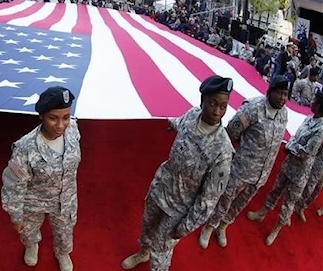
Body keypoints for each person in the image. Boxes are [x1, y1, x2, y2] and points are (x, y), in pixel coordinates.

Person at [121, 75, 234, 271]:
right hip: (161, 188)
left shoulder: (223, 150)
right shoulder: (192, 115)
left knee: (162, 250)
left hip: (179, 209)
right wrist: (167, 122)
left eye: (223, 106)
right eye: (212, 104)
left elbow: (209, 199)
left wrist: (186, 226)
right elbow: (179, 123)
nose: (217, 111)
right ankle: (143, 252)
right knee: (147, 228)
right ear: (202, 101)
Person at [198, 75, 289, 249]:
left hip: (261, 174)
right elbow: (231, 133)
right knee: (225, 199)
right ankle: (210, 226)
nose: (283, 98)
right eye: (279, 93)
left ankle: (223, 226)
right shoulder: (253, 109)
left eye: (286, 94)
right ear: (271, 91)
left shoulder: (283, 113)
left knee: (240, 203)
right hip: (240, 169)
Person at [1, 86, 81, 271]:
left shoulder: (73, 130)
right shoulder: (25, 147)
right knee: (28, 230)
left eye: (66, 117)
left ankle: (62, 252)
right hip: (34, 201)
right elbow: (14, 185)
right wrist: (16, 215)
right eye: (53, 118)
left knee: (65, 232)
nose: (61, 125)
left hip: (65, 200)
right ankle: (32, 245)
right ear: (41, 116)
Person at [246, 90, 323, 245]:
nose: (312, 102)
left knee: (289, 201)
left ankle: (277, 229)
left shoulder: (321, 129)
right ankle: (262, 212)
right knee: (276, 189)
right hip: (289, 163)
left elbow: (308, 151)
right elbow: (296, 137)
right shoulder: (309, 119)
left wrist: (289, 148)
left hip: (301, 171)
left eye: (315, 100)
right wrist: (291, 144)